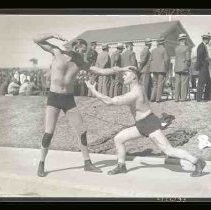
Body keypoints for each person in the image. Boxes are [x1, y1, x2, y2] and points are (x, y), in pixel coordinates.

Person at [86, 66, 206, 177]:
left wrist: (93, 90)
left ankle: (197, 162)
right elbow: (133, 71)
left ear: (133, 77)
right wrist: (124, 68)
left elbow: (109, 102)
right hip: (142, 125)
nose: (123, 76)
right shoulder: (139, 86)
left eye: (125, 74)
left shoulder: (134, 93)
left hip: (149, 124)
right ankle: (121, 165)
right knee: (119, 138)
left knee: (169, 150)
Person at [33, 33, 102, 177]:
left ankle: (87, 163)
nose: (82, 53)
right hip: (54, 98)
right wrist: (53, 35)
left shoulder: (79, 62)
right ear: (75, 46)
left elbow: (98, 70)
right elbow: (36, 39)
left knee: (82, 130)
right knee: (48, 133)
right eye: (81, 50)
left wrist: (119, 70)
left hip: (68, 99)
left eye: (84, 51)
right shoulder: (57, 52)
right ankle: (41, 163)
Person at [150, 37, 170, 102]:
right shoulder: (164, 50)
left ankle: (152, 98)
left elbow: (151, 60)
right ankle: (158, 98)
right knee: (160, 84)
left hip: (154, 69)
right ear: (163, 43)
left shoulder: (153, 50)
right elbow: (166, 60)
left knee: (155, 84)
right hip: (161, 69)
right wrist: (167, 68)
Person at [174, 33, 191, 102]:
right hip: (184, 67)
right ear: (184, 40)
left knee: (177, 83)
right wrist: (188, 65)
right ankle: (183, 98)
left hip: (177, 67)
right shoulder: (187, 48)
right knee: (184, 82)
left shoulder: (176, 48)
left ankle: (176, 98)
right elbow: (188, 58)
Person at [196, 33, 211, 102]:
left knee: (208, 82)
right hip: (202, 67)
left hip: (205, 66)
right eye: (209, 39)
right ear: (206, 39)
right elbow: (199, 57)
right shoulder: (201, 46)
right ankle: (199, 98)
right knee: (201, 82)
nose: (209, 40)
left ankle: (207, 97)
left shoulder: (204, 46)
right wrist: (202, 64)